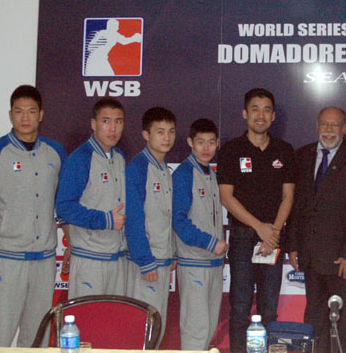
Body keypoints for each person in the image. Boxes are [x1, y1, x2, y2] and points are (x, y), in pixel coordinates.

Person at [0, 85, 66, 346]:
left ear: (41, 115)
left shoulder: (55, 152)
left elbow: (63, 203)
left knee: (38, 338)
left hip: (44, 260)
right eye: (19, 111)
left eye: (31, 111)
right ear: (10, 115)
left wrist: (71, 240)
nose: (25, 118)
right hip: (6, 261)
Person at [286, 107, 346, 353]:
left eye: (335, 125)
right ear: (317, 126)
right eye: (324, 124)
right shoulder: (302, 156)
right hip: (311, 257)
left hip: (343, 260)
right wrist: (293, 244)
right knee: (315, 319)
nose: (329, 130)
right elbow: (297, 205)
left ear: (344, 129)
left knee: (345, 322)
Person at [217, 88, 295, 353]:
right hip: (242, 237)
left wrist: (272, 231)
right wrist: (258, 227)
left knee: (269, 308)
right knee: (240, 306)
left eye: (266, 110)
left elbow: (288, 196)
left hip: (273, 238)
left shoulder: (284, 150)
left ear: (273, 116)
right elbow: (226, 197)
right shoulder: (230, 149)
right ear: (244, 113)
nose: (260, 116)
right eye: (255, 109)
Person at [56, 97, 127, 298]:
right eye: (106, 121)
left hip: (118, 258)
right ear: (93, 124)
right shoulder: (80, 159)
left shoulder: (119, 157)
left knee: (113, 325)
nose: (112, 128)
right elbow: (64, 206)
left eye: (118, 122)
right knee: (87, 325)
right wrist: (105, 219)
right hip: (90, 260)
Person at [173, 118, 228, 350]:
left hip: (213, 264)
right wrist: (210, 242)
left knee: (207, 330)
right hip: (194, 262)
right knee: (195, 331)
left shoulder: (211, 174)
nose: (206, 148)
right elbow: (178, 220)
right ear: (190, 143)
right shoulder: (184, 174)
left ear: (217, 144)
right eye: (200, 142)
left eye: (211, 143)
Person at [125, 107, 178, 340]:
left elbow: (166, 217)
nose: (166, 138)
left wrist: (172, 252)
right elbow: (134, 218)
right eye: (160, 132)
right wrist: (145, 261)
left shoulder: (164, 169)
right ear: (146, 135)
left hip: (162, 260)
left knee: (156, 328)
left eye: (171, 131)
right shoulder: (138, 168)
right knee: (141, 330)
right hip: (145, 264)